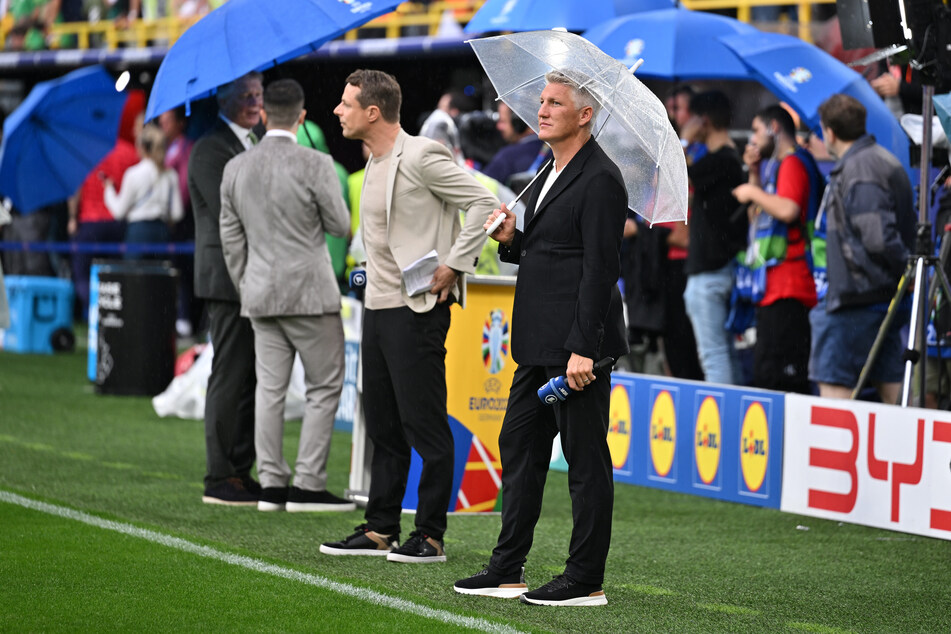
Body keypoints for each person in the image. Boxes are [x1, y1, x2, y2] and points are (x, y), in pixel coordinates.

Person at [454, 70, 628, 606]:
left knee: (584, 461)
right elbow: (555, 252)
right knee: (520, 450)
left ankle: (585, 579)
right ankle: (507, 569)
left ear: (585, 115)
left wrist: (585, 347)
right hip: (536, 344)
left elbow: (600, 269)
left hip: (575, 349)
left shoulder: (600, 177)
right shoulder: (547, 169)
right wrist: (513, 240)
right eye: (542, 101)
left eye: (556, 102)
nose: (543, 109)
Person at [319, 70, 498, 562]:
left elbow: (484, 203)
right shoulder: (373, 160)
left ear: (372, 112)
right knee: (382, 426)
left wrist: (453, 265)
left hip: (417, 309)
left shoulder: (421, 154)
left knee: (425, 427)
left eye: (346, 103)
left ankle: (432, 535)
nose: (338, 110)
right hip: (376, 309)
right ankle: (381, 528)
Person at [219, 79, 355, 513]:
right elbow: (340, 226)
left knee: (269, 390)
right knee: (323, 386)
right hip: (311, 293)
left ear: (263, 114)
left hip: (259, 292)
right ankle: (308, 485)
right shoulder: (315, 163)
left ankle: (273, 484)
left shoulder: (236, 167)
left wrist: (246, 283)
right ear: (301, 117)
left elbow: (230, 238)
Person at [187, 71, 263, 506]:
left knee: (249, 375)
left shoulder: (253, 143)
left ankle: (239, 468)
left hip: (253, 276)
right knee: (230, 373)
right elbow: (231, 211)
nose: (255, 102)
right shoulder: (210, 148)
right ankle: (219, 474)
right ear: (224, 99)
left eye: (259, 94)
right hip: (226, 277)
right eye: (246, 95)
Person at [810, 94, 914, 403]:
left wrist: (903, 272)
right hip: (876, 297)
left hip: (859, 301)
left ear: (829, 132)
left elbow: (878, 238)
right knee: (894, 393)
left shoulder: (860, 168)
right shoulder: (872, 160)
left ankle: (834, 453)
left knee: (834, 393)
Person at [733, 104, 824, 394]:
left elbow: (787, 209)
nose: (753, 139)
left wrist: (752, 191)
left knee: (781, 378)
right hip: (773, 286)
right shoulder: (776, 166)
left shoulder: (794, 163)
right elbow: (758, 216)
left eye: (757, 130)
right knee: (766, 374)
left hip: (792, 286)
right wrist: (755, 174)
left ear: (774, 127)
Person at [680, 90, 748, 385]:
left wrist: (684, 140)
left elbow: (678, 172)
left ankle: (722, 428)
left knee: (714, 356)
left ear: (703, 120)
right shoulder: (725, 160)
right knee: (724, 354)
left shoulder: (723, 160)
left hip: (710, 272)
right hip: (717, 268)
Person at [103, 122, 184, 255]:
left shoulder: (133, 174)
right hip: (162, 233)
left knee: (135, 275)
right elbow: (177, 213)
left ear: (142, 147)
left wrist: (108, 191)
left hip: (137, 234)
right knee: (160, 275)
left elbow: (119, 212)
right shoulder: (170, 175)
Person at [480, 102, 544, 187]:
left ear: (519, 123)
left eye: (503, 121)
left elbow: (480, 187)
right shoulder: (554, 150)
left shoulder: (508, 156)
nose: (498, 126)